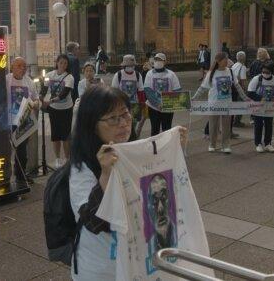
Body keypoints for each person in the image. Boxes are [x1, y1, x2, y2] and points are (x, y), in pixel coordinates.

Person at [69, 86, 187, 280]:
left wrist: (174, 152)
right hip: (101, 268)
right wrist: (105, 175)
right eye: (113, 118)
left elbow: (164, 192)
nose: (123, 123)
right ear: (91, 124)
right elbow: (93, 222)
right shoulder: (83, 166)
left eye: (126, 114)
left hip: (136, 262)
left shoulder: (134, 152)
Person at [193, 52, 249, 154]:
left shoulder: (230, 72)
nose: (227, 61)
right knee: (213, 125)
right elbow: (202, 88)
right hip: (214, 104)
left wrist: (245, 98)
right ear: (218, 61)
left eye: (227, 59)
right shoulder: (211, 73)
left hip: (227, 104)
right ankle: (212, 144)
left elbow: (237, 86)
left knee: (226, 126)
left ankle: (226, 145)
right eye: (225, 60)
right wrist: (194, 98)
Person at [6, 57, 39, 184]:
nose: (23, 68)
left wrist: (36, 103)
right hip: (9, 120)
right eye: (19, 66)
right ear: (12, 67)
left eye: (24, 66)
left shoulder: (29, 81)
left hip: (24, 121)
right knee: (7, 150)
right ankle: (6, 176)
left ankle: (21, 175)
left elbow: (36, 99)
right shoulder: (7, 80)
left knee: (22, 151)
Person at [41, 54, 75, 168]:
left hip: (66, 109)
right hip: (54, 110)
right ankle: (57, 158)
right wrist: (40, 98)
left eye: (65, 63)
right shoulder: (50, 75)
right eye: (61, 63)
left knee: (65, 135)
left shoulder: (70, 77)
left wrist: (49, 102)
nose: (63, 65)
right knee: (55, 135)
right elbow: (44, 89)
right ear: (57, 63)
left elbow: (64, 94)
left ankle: (67, 159)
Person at [247, 64, 274, 153]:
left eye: (267, 72)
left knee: (269, 125)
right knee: (258, 124)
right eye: (263, 72)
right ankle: (258, 143)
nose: (265, 73)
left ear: (272, 72)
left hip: (269, 106)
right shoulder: (257, 79)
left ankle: (268, 143)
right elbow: (250, 92)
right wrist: (259, 98)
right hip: (258, 106)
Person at [144, 53, 181, 136]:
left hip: (168, 107)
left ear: (165, 62)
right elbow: (148, 90)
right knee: (154, 130)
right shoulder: (149, 74)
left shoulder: (171, 74)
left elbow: (177, 90)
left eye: (160, 60)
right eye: (156, 60)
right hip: (153, 107)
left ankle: (166, 147)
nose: (157, 61)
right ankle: (154, 148)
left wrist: (168, 103)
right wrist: (157, 104)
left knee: (167, 130)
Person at [111, 54, 145, 138]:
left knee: (133, 124)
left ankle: (132, 140)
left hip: (135, 105)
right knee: (122, 124)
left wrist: (142, 103)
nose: (130, 67)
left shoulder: (137, 75)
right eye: (128, 65)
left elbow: (141, 90)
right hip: (121, 105)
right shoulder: (118, 75)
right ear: (124, 66)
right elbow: (114, 91)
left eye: (132, 65)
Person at [231, 51, 248, 128]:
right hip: (239, 88)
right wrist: (245, 90)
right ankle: (237, 121)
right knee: (241, 104)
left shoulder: (234, 65)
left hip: (233, 87)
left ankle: (233, 120)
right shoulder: (243, 67)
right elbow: (243, 80)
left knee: (234, 104)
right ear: (244, 58)